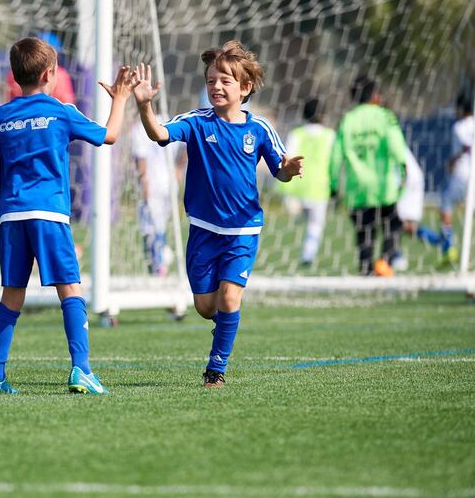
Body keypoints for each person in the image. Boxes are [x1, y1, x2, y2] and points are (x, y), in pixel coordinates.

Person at [0, 37, 136, 395]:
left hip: (11, 217)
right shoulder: (61, 110)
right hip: (49, 214)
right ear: (49, 73)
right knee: (70, 289)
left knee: (11, 296)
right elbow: (110, 135)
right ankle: (81, 370)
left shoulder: (0, 115)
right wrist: (118, 99)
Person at [131, 41, 303, 388]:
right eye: (211, 81)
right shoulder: (196, 122)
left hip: (243, 230)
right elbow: (160, 133)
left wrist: (287, 169)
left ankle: (216, 369)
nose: (217, 87)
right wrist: (145, 107)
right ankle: (221, 322)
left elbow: (279, 171)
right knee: (206, 307)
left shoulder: (260, 129)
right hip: (204, 230)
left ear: (245, 87)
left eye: (225, 80)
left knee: (229, 298)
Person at [330, 76, 408, 277]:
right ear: (374, 95)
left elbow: (336, 155)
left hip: (358, 188)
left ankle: (366, 271)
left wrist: (334, 184)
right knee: (393, 225)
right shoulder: (385, 116)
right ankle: (384, 262)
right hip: (384, 186)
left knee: (364, 232)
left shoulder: (348, 119)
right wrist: (403, 168)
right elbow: (396, 144)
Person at [278, 98, 335, 266]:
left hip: (296, 187)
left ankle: (296, 221)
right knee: (315, 225)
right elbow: (334, 161)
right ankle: (308, 255)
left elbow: (286, 157)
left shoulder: (297, 133)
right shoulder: (330, 135)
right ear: (323, 115)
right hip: (319, 188)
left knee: (298, 220)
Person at [130, 118, 183, 276]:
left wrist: (144, 182)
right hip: (170, 183)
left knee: (149, 227)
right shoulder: (171, 121)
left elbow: (141, 159)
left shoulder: (140, 127)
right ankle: (160, 261)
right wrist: (179, 169)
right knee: (160, 225)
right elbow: (185, 148)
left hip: (152, 183)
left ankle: (157, 267)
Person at [436, 93, 474, 265]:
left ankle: (449, 247)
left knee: (446, 203)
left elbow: (466, 147)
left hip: (463, 173)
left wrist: (452, 161)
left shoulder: (459, 127)